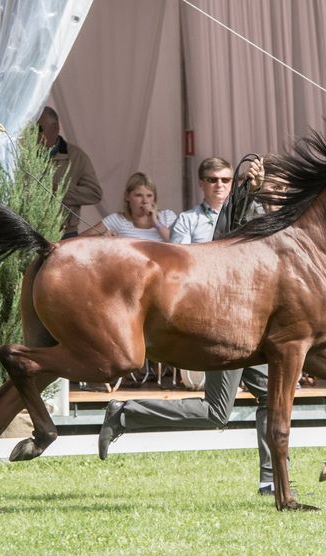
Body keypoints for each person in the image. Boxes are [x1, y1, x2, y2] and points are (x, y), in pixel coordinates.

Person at [99, 157, 290, 496]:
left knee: (270, 398)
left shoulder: (278, 216)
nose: (283, 191)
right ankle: (125, 413)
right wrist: (248, 191)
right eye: (278, 185)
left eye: (285, 186)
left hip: (256, 324)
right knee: (216, 412)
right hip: (227, 320)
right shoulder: (243, 208)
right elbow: (228, 237)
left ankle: (269, 480)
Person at [36, 106, 103, 238]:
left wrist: (59, 191)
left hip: (64, 233)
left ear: (55, 128)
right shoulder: (25, 155)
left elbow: (94, 193)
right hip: (32, 229)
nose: (34, 134)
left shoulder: (77, 157)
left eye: (39, 129)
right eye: (31, 129)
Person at [82, 172, 176, 241]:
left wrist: (156, 223)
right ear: (127, 196)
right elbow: (79, 239)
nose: (145, 201)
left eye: (149, 195)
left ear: (154, 198)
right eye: (138, 195)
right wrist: (100, 238)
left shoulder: (167, 216)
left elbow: (179, 243)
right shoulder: (117, 220)